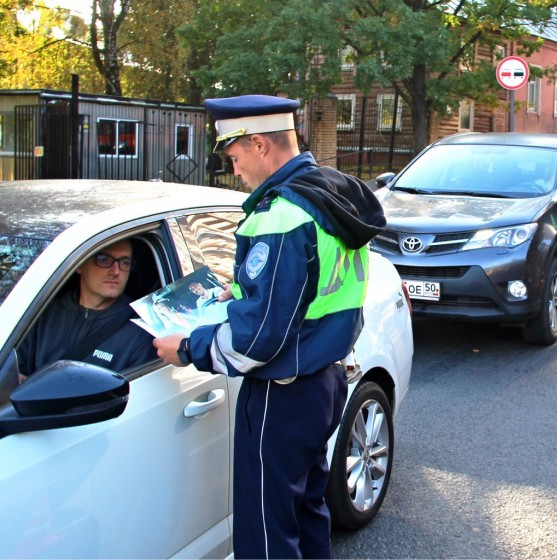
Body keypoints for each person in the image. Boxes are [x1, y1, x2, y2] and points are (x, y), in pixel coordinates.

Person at [153, 95, 386, 559]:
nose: (235, 171)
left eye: (235, 158)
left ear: (259, 144)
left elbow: (258, 338)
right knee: (306, 511)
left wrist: (187, 348)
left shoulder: (281, 214)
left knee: (266, 533)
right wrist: (240, 291)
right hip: (325, 380)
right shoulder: (332, 194)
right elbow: (313, 290)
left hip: (282, 393)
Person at [17, 239, 157, 379]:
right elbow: (17, 371)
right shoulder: (42, 312)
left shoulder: (141, 329)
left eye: (124, 262)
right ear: (80, 265)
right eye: (103, 260)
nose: (116, 271)